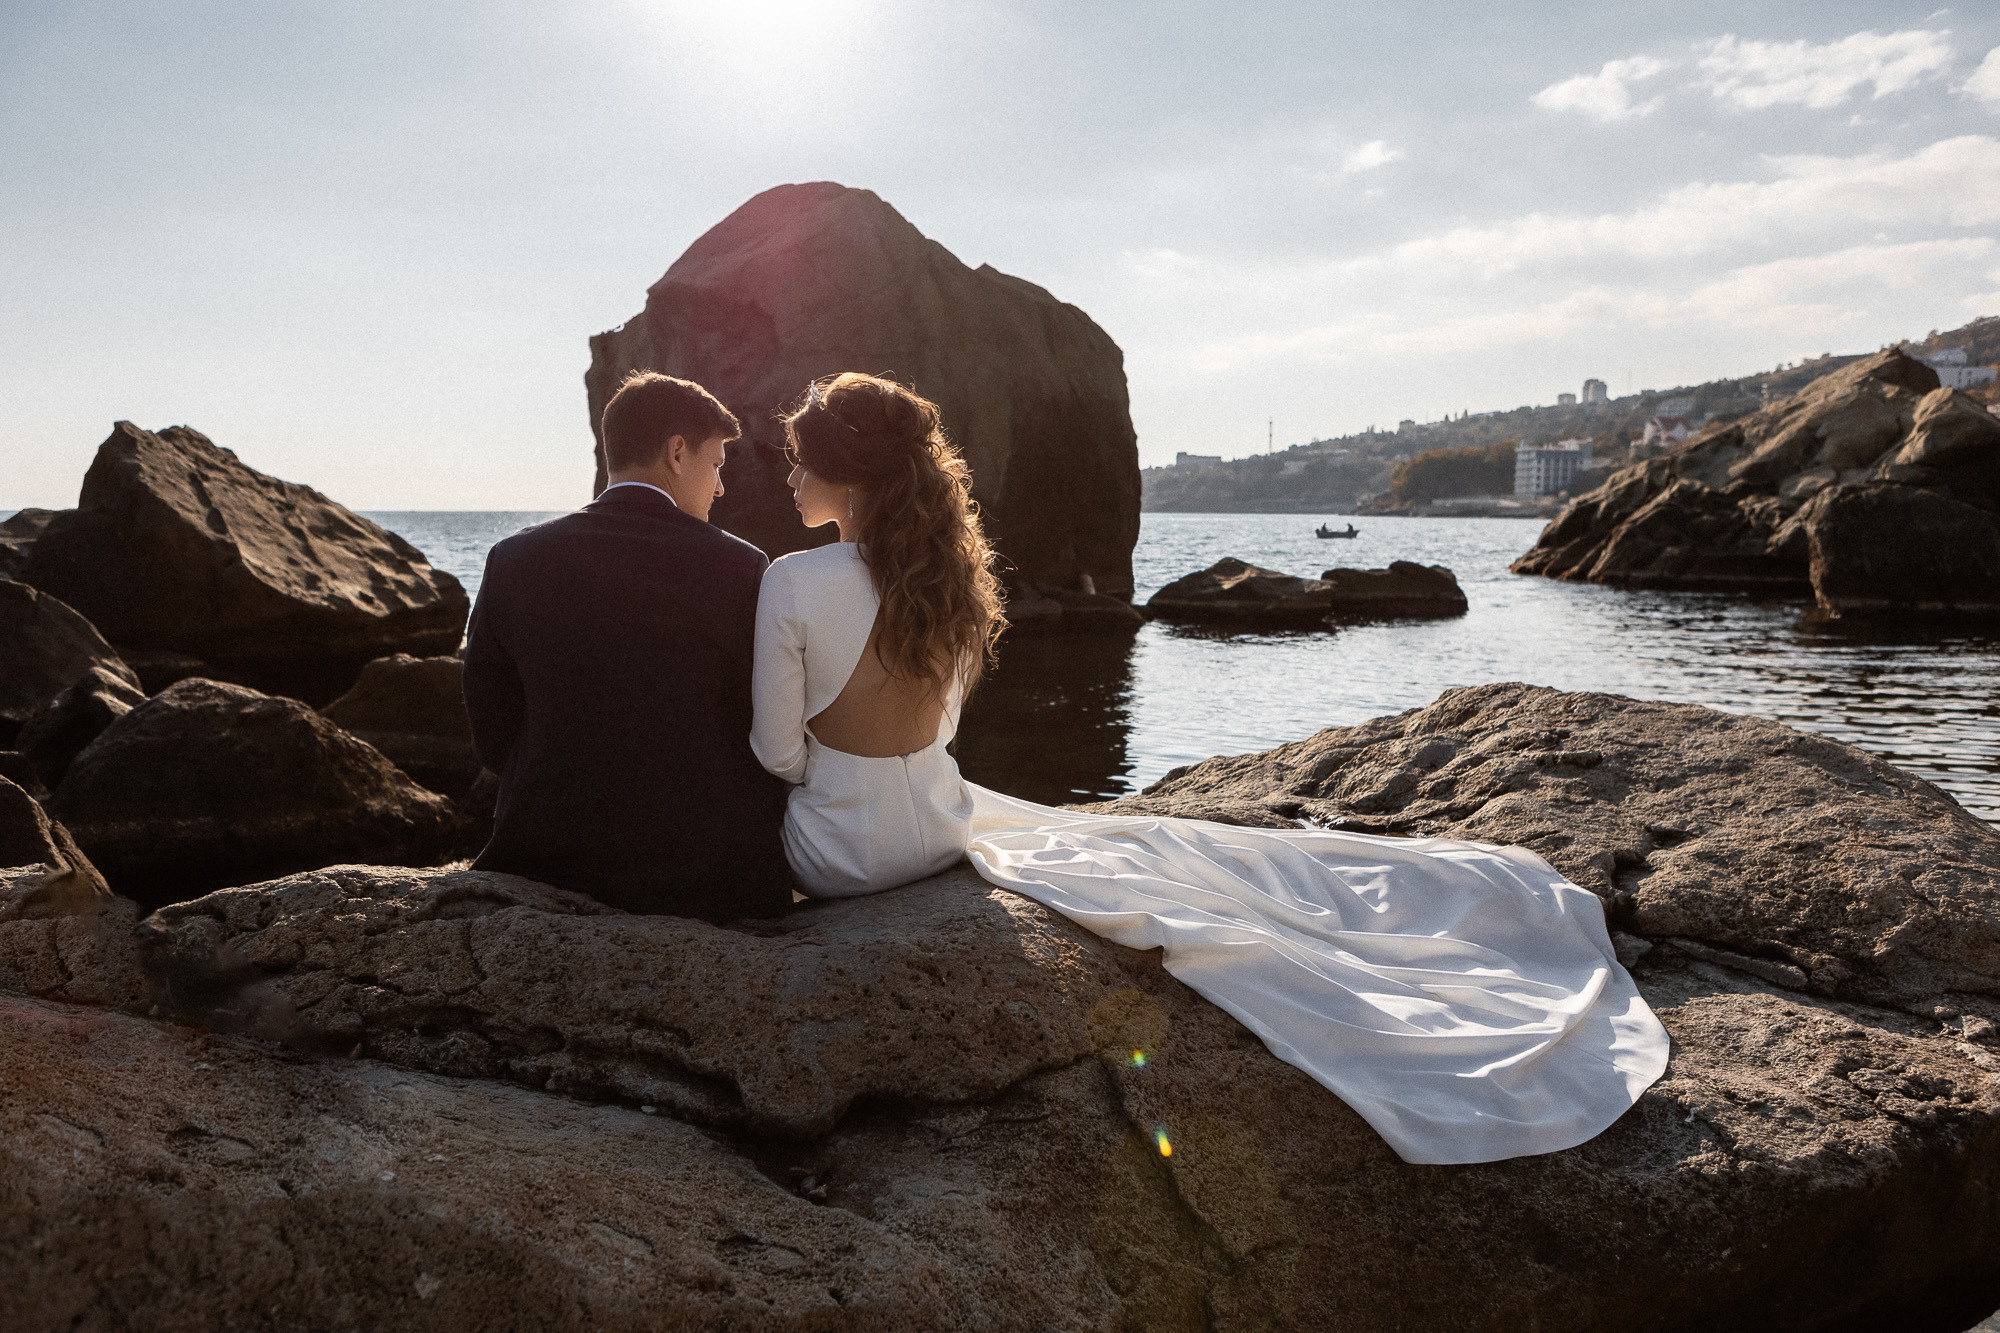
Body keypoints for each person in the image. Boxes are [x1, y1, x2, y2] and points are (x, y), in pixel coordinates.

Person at [751, 372, 1669, 1166]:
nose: (790, 477)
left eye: (799, 459)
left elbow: (777, 754)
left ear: (844, 472)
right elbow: (940, 726)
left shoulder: (793, 581)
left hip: (842, 861)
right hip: (939, 830)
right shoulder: (952, 579)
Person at [464, 371, 793, 921]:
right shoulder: (741, 567)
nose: (719, 487)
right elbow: (763, 725)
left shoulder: (513, 559)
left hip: (546, 856)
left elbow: (491, 729)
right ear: (677, 452)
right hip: (705, 872)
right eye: (716, 464)